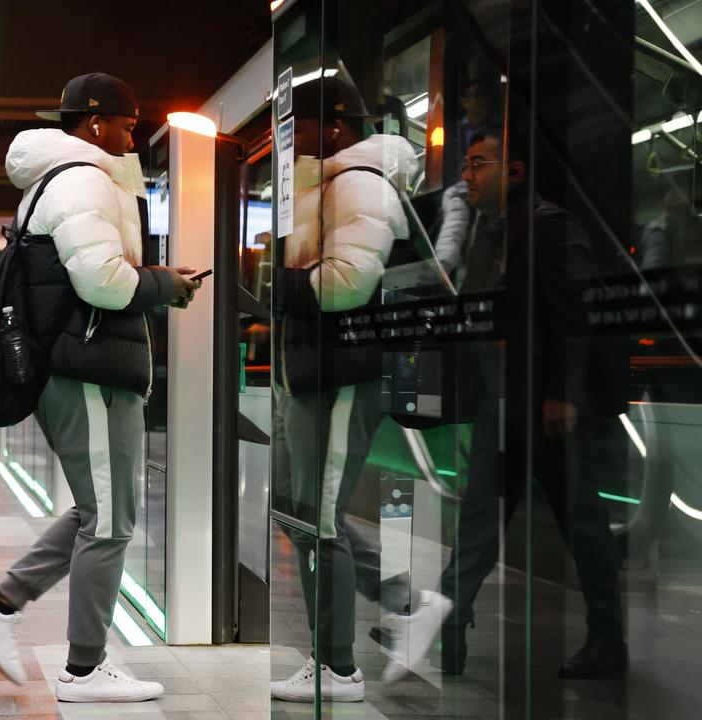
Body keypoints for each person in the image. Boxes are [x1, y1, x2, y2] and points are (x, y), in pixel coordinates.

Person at [0, 72, 199, 703]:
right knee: (110, 521)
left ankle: (1, 601)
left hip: (93, 366)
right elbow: (100, 283)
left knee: (106, 511)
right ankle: (84, 671)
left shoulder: (70, 179)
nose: (134, 133)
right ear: (95, 123)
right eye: (128, 121)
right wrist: (162, 283)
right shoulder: (84, 179)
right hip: (83, 368)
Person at [380, 124, 627, 683]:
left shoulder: (550, 228)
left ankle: (608, 638)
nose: (466, 175)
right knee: (477, 520)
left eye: (477, 164)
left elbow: (571, 317)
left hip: (545, 406)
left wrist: (562, 395)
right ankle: (447, 621)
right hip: (501, 403)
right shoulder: (491, 231)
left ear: (513, 171)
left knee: (582, 523)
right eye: (465, 164)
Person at [269, 76, 418, 704]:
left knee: (320, 516)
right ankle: (398, 596)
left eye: (294, 127)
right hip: (311, 370)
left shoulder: (360, 184)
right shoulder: (324, 185)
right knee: (297, 508)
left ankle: (339, 668)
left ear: (332, 127)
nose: (288, 142)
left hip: (342, 373)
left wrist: (275, 287)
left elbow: (351, 281)